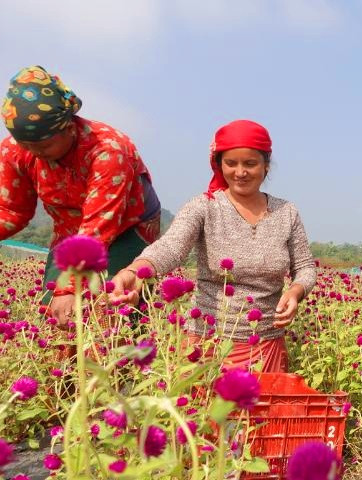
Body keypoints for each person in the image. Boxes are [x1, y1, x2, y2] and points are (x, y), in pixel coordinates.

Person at [109, 120, 316, 372]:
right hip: (208, 344)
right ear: (219, 165)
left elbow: (305, 267)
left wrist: (296, 292)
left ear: (266, 165)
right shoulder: (205, 206)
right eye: (231, 163)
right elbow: (171, 247)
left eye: (250, 163)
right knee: (204, 410)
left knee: (263, 412)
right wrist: (135, 271)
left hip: (266, 345)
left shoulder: (286, 213)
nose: (240, 172)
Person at [0, 66, 161, 326]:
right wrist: (62, 291)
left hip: (126, 227)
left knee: (112, 310)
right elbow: (12, 210)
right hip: (71, 231)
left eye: (42, 145)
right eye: (25, 145)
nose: (33, 152)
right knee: (55, 315)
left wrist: (70, 289)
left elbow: (98, 226)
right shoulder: (14, 151)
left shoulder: (107, 149)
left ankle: (120, 362)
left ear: (68, 127)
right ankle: (68, 365)